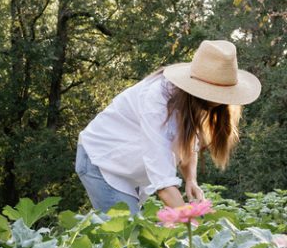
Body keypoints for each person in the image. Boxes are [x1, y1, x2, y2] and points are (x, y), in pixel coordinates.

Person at [75, 39, 261, 214]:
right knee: (126, 238)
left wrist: (191, 179)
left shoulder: (198, 102)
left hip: (127, 166)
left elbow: (188, 144)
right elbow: (163, 186)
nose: (218, 99)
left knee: (134, 239)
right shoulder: (157, 101)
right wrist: (193, 224)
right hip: (101, 160)